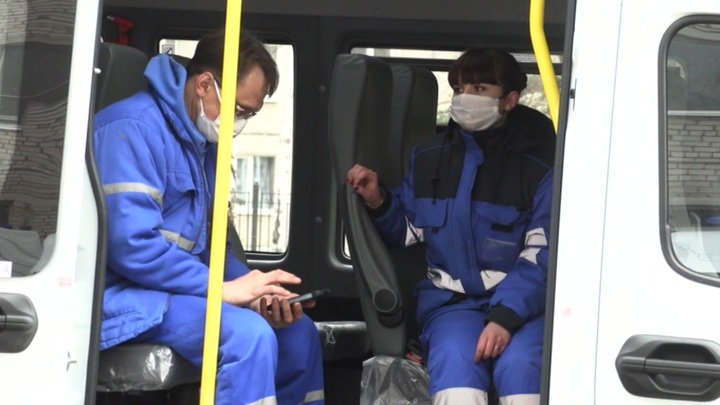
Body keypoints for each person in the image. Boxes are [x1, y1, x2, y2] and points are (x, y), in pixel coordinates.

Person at [94, 28, 324, 405]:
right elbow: (132, 246)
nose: (239, 124)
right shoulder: (131, 129)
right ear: (204, 85)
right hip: (125, 296)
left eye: (249, 114)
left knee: (299, 335)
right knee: (249, 337)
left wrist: (254, 293)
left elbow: (211, 247)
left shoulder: (203, 145)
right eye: (238, 110)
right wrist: (222, 290)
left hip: (174, 292)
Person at [346, 48, 555, 405]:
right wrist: (378, 199)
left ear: (509, 100)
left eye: (479, 88)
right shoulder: (429, 157)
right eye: (459, 89)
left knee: (521, 367)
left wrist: (504, 318)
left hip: (524, 307)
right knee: (457, 367)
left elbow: (543, 253)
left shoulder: (540, 166)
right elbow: (409, 230)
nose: (465, 98)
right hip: (451, 304)